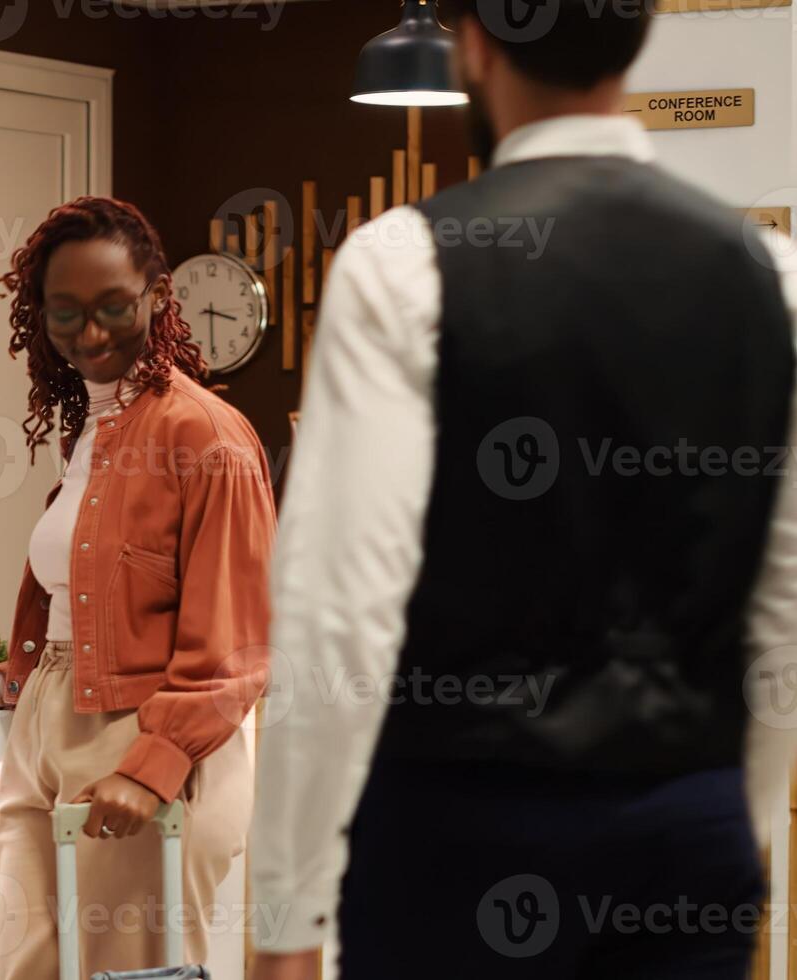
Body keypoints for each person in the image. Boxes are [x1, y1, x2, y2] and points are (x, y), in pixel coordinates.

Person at [250, 4, 797, 978]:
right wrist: (733, 818)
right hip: (685, 829)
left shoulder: (400, 262)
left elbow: (340, 602)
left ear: (473, 43)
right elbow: (786, 594)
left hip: (454, 832)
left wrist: (287, 905)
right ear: (634, 42)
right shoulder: (770, 276)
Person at [0, 197, 274, 978]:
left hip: (145, 741)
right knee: (28, 967)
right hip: (45, 731)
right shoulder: (90, 436)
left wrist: (153, 766)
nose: (92, 333)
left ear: (157, 297)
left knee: (130, 973)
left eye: (115, 306)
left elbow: (236, 648)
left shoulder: (206, 435)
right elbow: (76, 619)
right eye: (65, 312)